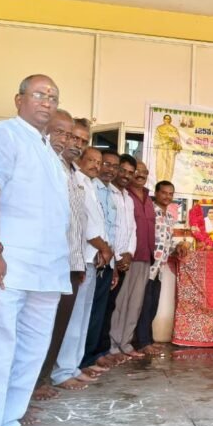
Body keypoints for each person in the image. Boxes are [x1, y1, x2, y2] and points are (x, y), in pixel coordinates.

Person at [0, 74, 70, 426]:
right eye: (39, 94)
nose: (47, 102)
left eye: (53, 97)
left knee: (31, 350)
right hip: (7, 265)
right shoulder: (4, 135)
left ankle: (8, 420)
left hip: (46, 270)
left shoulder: (47, 149)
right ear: (18, 99)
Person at [31, 108, 86, 402]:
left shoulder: (71, 172)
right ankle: (35, 381)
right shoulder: (47, 164)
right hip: (49, 261)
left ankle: (43, 376)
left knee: (59, 325)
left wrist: (78, 262)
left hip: (71, 262)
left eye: (78, 139)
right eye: (65, 135)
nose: (71, 142)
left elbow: (76, 222)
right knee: (42, 326)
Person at [51, 146, 109, 391]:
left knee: (83, 319)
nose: (96, 165)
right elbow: (85, 226)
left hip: (91, 259)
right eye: (92, 160)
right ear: (81, 160)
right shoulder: (76, 181)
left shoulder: (91, 185)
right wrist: (104, 248)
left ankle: (73, 366)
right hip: (79, 259)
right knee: (73, 320)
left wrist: (104, 250)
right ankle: (61, 371)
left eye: (99, 161)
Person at [103, 161, 154, 364]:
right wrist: (124, 254)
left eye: (143, 172)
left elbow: (135, 229)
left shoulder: (147, 198)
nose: (140, 175)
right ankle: (113, 345)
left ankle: (126, 343)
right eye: (136, 172)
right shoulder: (121, 194)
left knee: (135, 304)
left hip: (144, 256)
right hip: (125, 258)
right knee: (120, 303)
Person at [79, 148, 121, 366]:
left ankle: (91, 356)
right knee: (83, 314)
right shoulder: (88, 184)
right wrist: (104, 250)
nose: (108, 169)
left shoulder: (112, 193)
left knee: (97, 312)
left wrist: (114, 262)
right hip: (91, 257)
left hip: (107, 259)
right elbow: (89, 227)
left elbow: (114, 230)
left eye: (115, 166)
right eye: (105, 163)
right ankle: (82, 360)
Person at [135, 180, 178, 353]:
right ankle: (142, 342)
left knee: (152, 305)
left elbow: (169, 242)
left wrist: (178, 248)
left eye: (170, 194)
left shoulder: (170, 217)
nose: (167, 196)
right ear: (156, 193)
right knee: (144, 305)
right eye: (164, 193)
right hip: (147, 265)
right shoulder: (150, 211)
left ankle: (148, 339)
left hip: (159, 268)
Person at [154, 114, 183, 182]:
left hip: (171, 149)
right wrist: (166, 139)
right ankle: (159, 181)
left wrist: (176, 146)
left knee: (170, 165)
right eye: (166, 119)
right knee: (160, 164)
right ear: (163, 120)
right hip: (161, 148)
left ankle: (168, 181)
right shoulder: (159, 128)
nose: (167, 120)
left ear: (170, 120)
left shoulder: (174, 129)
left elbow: (177, 139)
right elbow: (156, 139)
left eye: (168, 119)